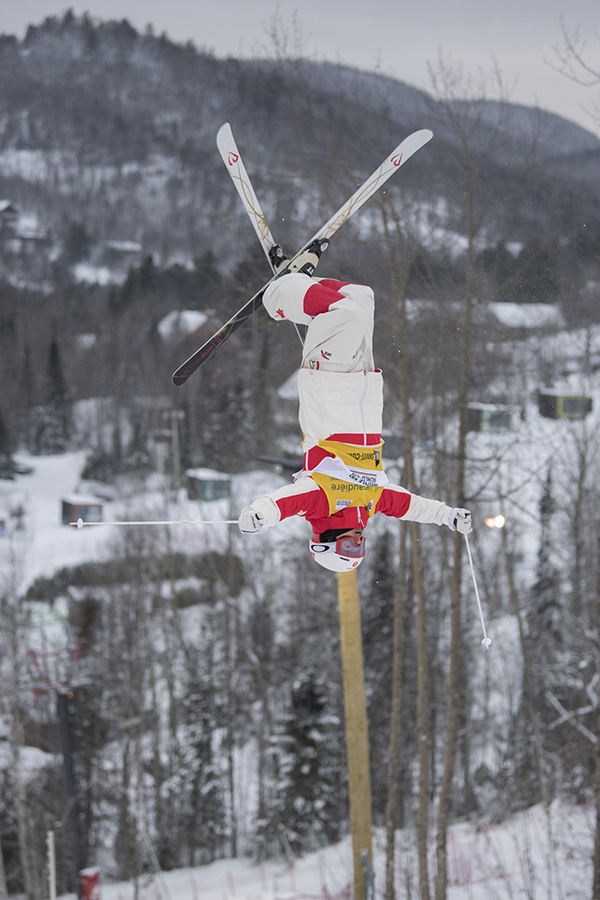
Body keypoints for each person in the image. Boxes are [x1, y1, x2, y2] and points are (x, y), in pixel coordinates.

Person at [238, 242, 472, 572]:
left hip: (329, 387)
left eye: (350, 544)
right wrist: (448, 516)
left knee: (346, 316)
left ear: (326, 539)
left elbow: (283, 504)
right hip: (364, 387)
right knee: (362, 299)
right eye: (361, 545)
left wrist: (259, 515)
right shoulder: (372, 499)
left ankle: (277, 297)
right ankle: (298, 285)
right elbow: (409, 506)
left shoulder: (321, 500)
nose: (358, 537)